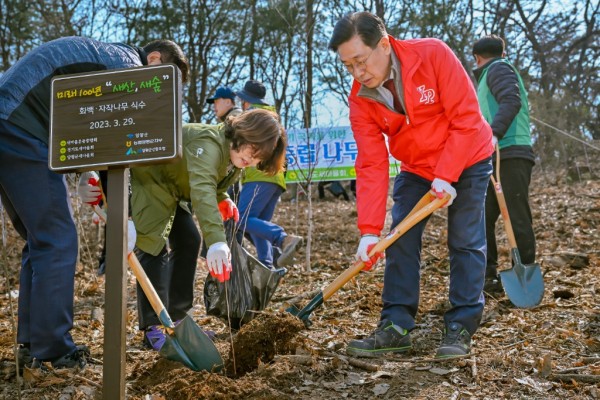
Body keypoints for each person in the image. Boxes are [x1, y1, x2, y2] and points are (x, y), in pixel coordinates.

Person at [0, 36, 189, 371]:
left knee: (41, 240)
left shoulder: (104, 55)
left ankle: (34, 345)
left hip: (11, 122)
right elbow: (113, 139)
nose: (161, 92)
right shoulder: (128, 68)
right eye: (165, 78)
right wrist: (123, 213)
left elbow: (91, 133)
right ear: (155, 58)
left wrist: (87, 171)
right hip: (20, 127)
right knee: (57, 241)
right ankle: (54, 350)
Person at [328, 12, 494, 359]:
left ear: (384, 44)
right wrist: (369, 231)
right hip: (417, 167)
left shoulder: (432, 54)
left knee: (464, 239)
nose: (357, 74)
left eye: (360, 61)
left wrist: (447, 175)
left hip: (468, 156)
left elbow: (465, 117)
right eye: (348, 66)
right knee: (399, 237)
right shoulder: (361, 97)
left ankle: (461, 324)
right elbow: (371, 162)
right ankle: (396, 325)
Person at [125, 109, 286, 350]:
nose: (252, 162)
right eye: (253, 153)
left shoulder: (232, 155)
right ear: (245, 134)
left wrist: (222, 197)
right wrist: (217, 241)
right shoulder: (210, 143)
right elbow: (201, 189)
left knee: (189, 240)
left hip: (174, 187)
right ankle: (153, 327)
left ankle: (177, 318)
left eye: (258, 160)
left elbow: (211, 183)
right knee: (152, 246)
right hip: (152, 181)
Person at [472, 35, 536, 293]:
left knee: (517, 216)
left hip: (511, 153)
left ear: (477, 58)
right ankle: (488, 277)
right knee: (482, 217)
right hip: (493, 155)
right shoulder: (489, 76)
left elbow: (511, 100)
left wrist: (494, 133)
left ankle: (526, 274)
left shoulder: (499, 69)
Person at [235, 80, 303, 269]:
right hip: (276, 179)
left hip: (258, 176)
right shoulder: (272, 118)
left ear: (244, 100)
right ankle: (267, 264)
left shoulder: (251, 117)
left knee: (241, 218)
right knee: (258, 224)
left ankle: (282, 238)